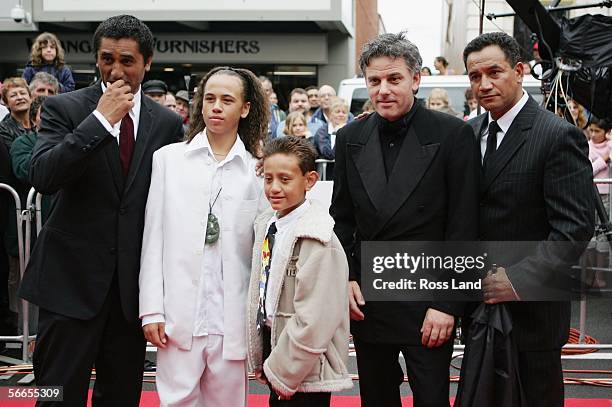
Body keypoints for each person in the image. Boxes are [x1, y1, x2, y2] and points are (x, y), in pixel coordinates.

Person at [18, 15, 184, 406]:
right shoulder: (65, 108)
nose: (116, 70)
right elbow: (43, 175)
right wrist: (100, 121)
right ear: (96, 60)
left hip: (129, 294)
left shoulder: (167, 124)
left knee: (121, 397)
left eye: (127, 60)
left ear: (147, 62)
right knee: (54, 395)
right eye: (107, 59)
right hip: (69, 284)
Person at [330, 32, 479, 407]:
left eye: (394, 79)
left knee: (431, 400)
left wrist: (448, 304)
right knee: (376, 399)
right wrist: (346, 276)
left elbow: (464, 226)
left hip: (428, 301)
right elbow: (343, 220)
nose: (383, 90)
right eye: (374, 81)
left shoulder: (453, 134)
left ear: (416, 79)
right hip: (369, 301)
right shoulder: (349, 137)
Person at [461, 32, 594, 406]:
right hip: (478, 310)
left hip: (534, 313)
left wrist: (517, 281)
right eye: (475, 76)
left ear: (519, 71)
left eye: (494, 72)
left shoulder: (557, 135)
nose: (484, 84)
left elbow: (574, 229)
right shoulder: (469, 134)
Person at [139, 66, 268, 407]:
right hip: (179, 315)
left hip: (233, 317)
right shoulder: (168, 160)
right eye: (209, 98)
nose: (216, 107)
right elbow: (153, 240)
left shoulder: (258, 171)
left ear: (245, 108)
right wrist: (151, 310)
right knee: (176, 401)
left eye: (227, 100)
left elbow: (263, 251)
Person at [247, 136, 352, 406]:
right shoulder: (268, 226)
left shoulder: (319, 237)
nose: (274, 188)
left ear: (310, 180)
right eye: (268, 179)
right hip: (276, 347)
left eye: (285, 179)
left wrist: (285, 371)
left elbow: (316, 317)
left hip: (304, 360)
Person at [586, 117, 612, 288]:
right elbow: (587, 169)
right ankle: (588, 274)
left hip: (605, 196)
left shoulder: (610, 146)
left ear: (606, 132)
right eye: (591, 130)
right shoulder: (586, 145)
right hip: (589, 194)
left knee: (603, 236)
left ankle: (600, 276)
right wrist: (604, 159)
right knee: (589, 235)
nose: (593, 134)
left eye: (597, 131)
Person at [0, 77, 32, 149]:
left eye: (23, 93)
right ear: (6, 103)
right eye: (13, 95)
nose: (20, 97)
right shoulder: (3, 130)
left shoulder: (39, 122)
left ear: (31, 98)